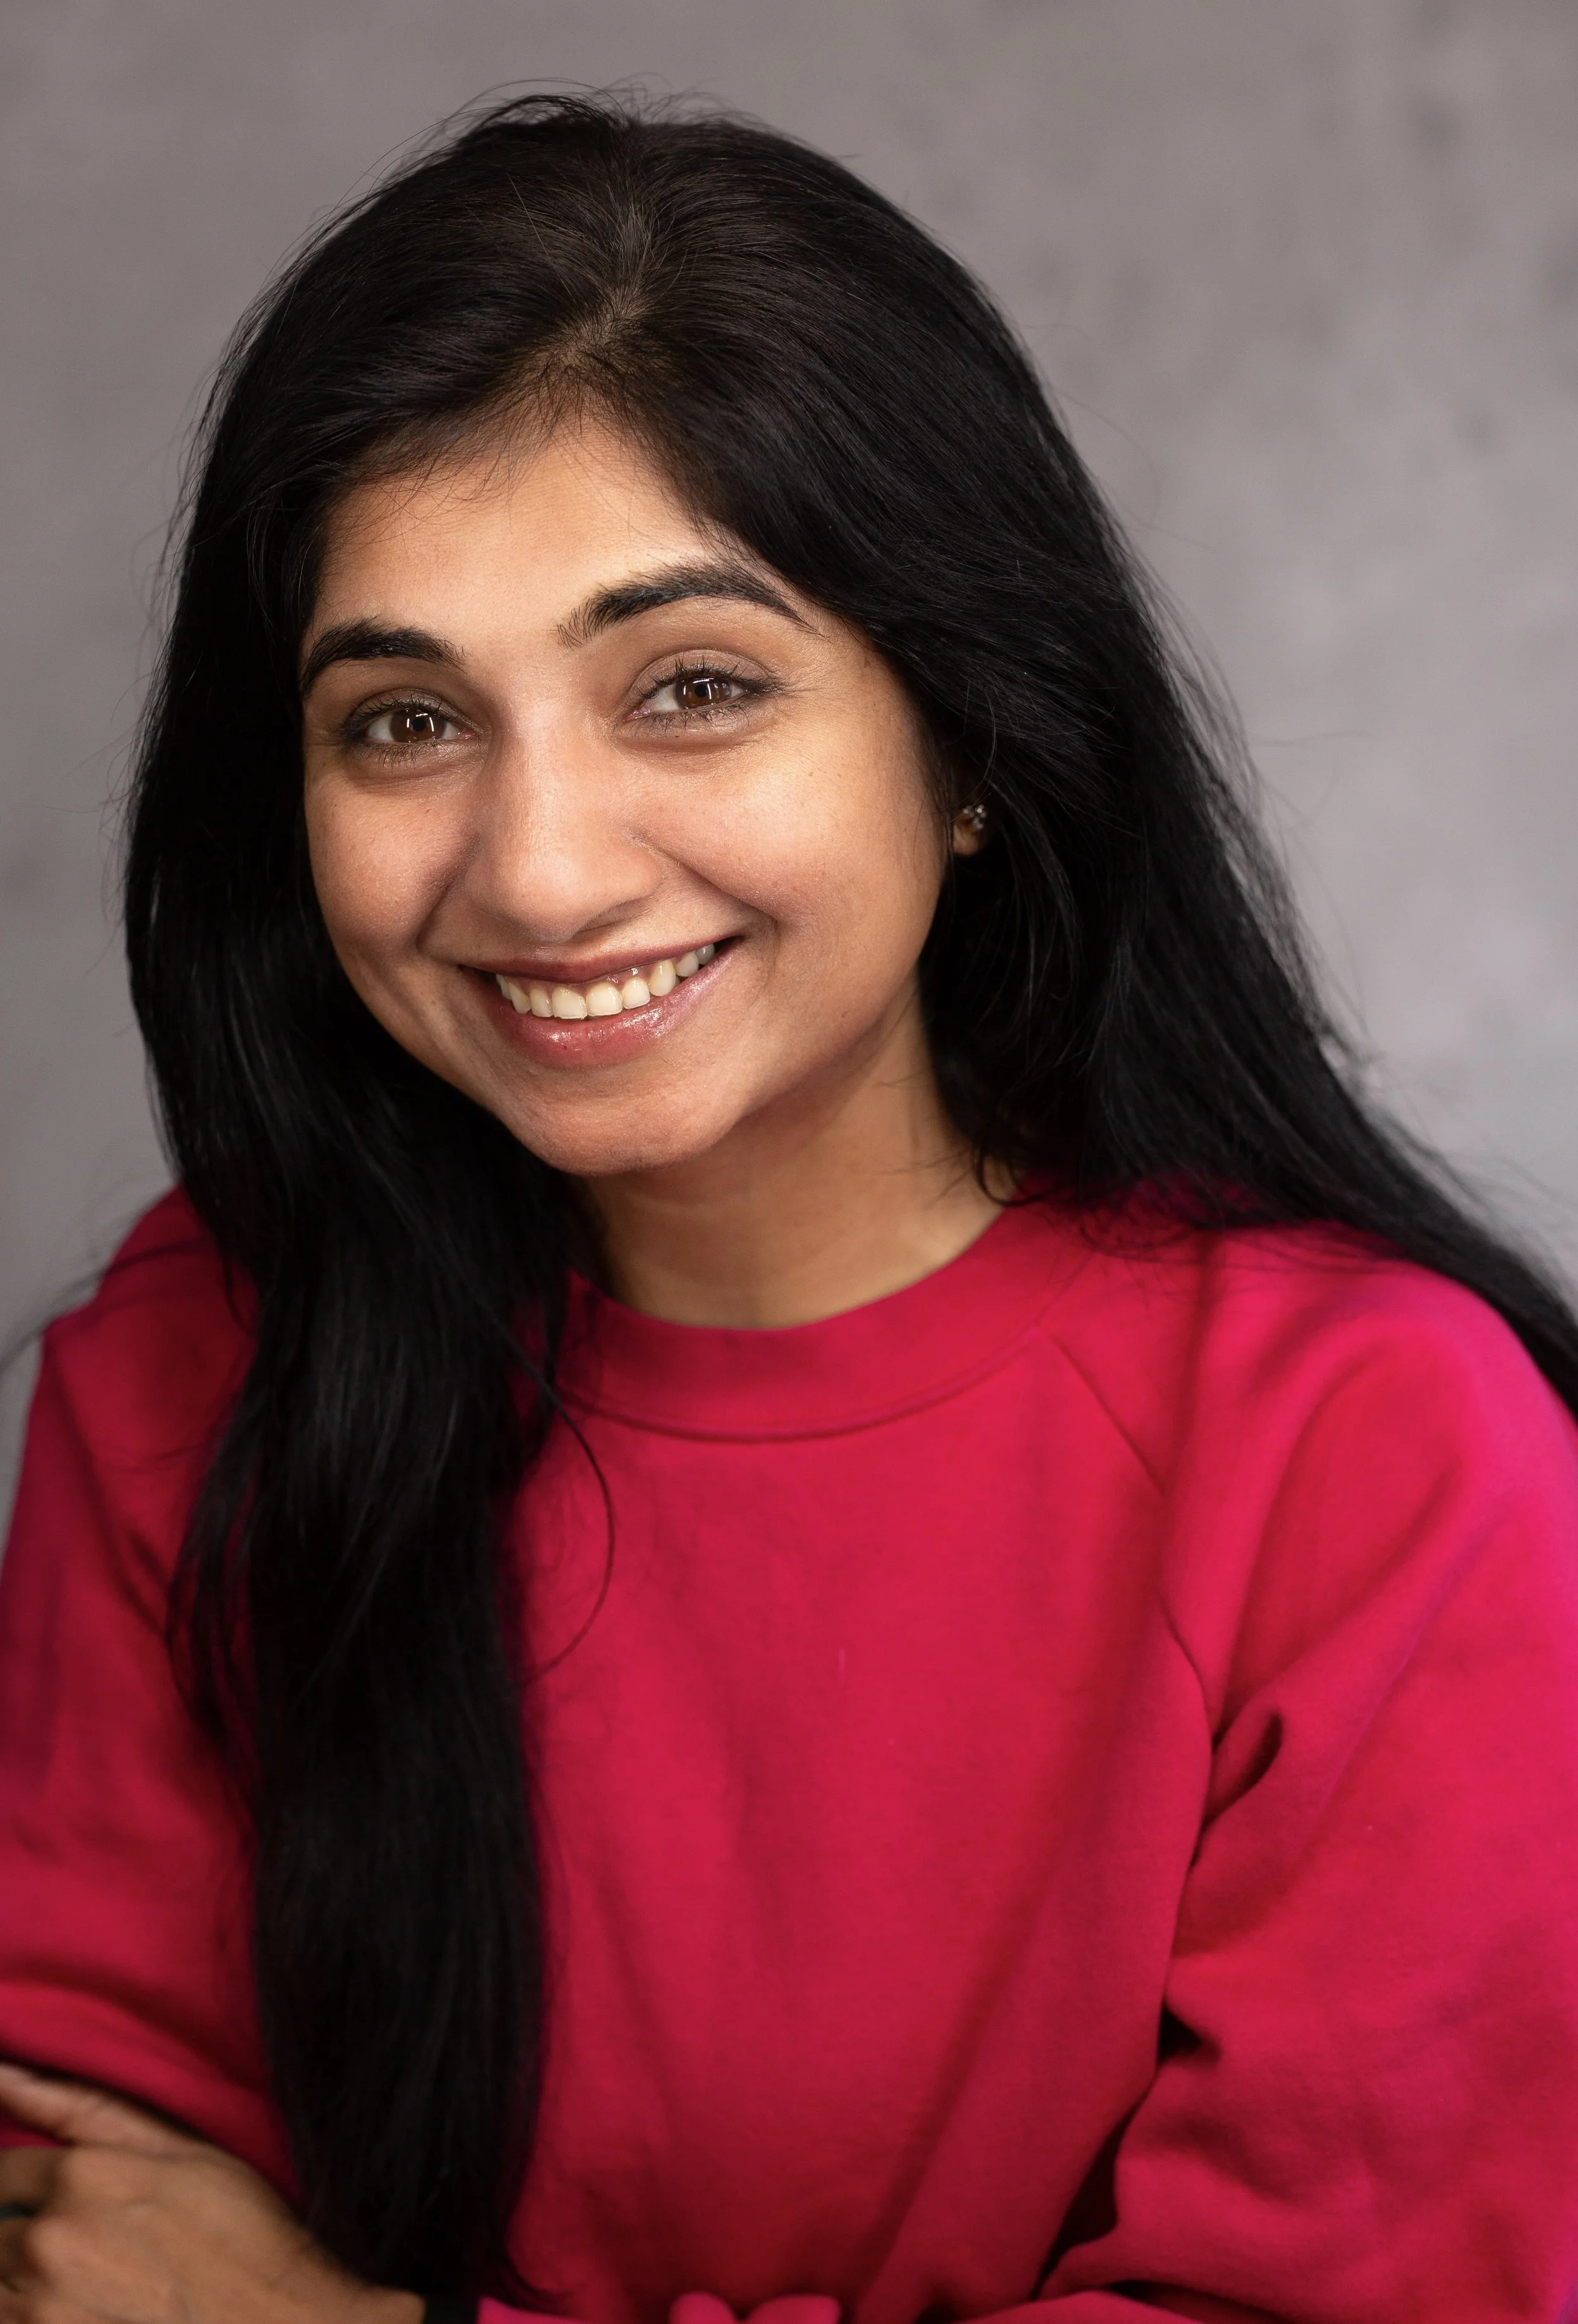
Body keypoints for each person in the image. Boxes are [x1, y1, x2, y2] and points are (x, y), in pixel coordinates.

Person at [1, 88, 1577, 2324]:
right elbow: (83, 2253)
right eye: (401, 724)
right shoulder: (188, 1378)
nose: (539, 870)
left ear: (968, 753)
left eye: (697, 688)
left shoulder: (1377, 1461)